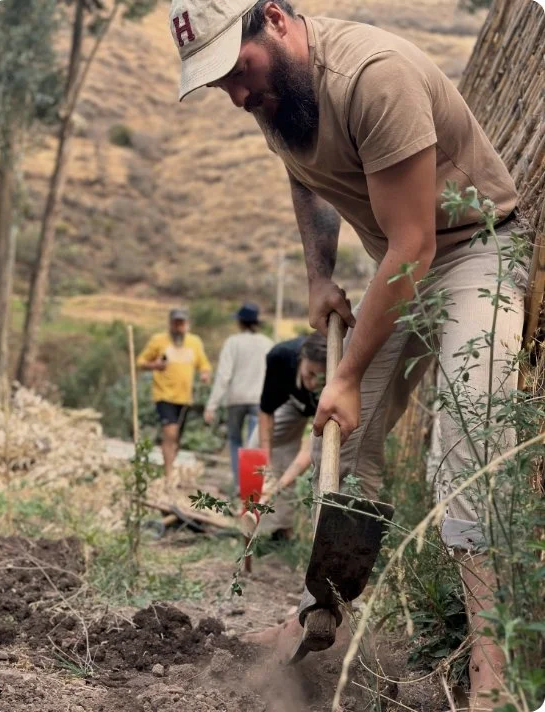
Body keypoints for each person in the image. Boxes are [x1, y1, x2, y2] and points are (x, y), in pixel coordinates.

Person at [169, 1, 526, 707]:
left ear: (273, 19)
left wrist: (350, 373)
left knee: (469, 441)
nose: (238, 97)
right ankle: (321, 612)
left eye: (238, 72)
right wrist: (319, 278)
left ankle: (496, 669)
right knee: (348, 436)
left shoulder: (372, 75)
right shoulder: (281, 99)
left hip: (475, 249)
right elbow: (306, 180)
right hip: (403, 260)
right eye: (220, 86)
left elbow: (417, 242)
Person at [246, 331, 327, 538]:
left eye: (320, 379)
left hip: (326, 407)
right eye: (309, 374)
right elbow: (266, 411)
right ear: (301, 359)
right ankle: (248, 517)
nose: (312, 384)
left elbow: (312, 447)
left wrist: (281, 483)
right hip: (289, 401)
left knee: (289, 465)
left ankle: (281, 530)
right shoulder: (280, 356)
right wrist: (266, 464)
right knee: (254, 450)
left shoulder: (338, 372)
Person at [137, 308, 211, 488]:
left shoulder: (194, 342)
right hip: (164, 394)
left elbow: (204, 364)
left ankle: (169, 468)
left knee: (176, 437)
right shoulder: (158, 340)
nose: (179, 327)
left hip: (185, 398)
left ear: (187, 325)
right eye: (176, 323)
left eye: (182, 324)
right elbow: (140, 362)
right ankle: (169, 474)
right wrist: (155, 365)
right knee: (170, 432)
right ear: (170, 323)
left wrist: (205, 374)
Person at [204, 303, 273, 491]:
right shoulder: (267, 343)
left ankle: (238, 485)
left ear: (240, 323)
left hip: (235, 399)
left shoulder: (232, 342)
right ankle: (251, 487)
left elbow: (224, 375)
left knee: (235, 440)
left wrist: (212, 405)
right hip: (259, 400)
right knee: (254, 444)